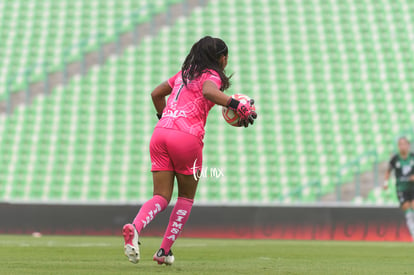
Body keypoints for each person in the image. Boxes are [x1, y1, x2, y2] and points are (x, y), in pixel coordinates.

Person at [122, 36, 257, 265]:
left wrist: (165, 119)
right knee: (185, 198)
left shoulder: (183, 74)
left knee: (161, 196)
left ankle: (135, 227)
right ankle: (163, 252)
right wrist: (236, 105)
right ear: (222, 59)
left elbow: (156, 94)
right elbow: (208, 92)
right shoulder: (212, 76)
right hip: (186, 138)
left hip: (160, 133)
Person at [383, 136, 414, 240]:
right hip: (401, 188)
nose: (402, 146)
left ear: (408, 145)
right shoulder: (395, 159)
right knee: (408, 211)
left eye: (404, 144)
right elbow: (388, 171)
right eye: (400, 144)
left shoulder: (413, 157)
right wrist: (385, 183)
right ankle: (413, 234)